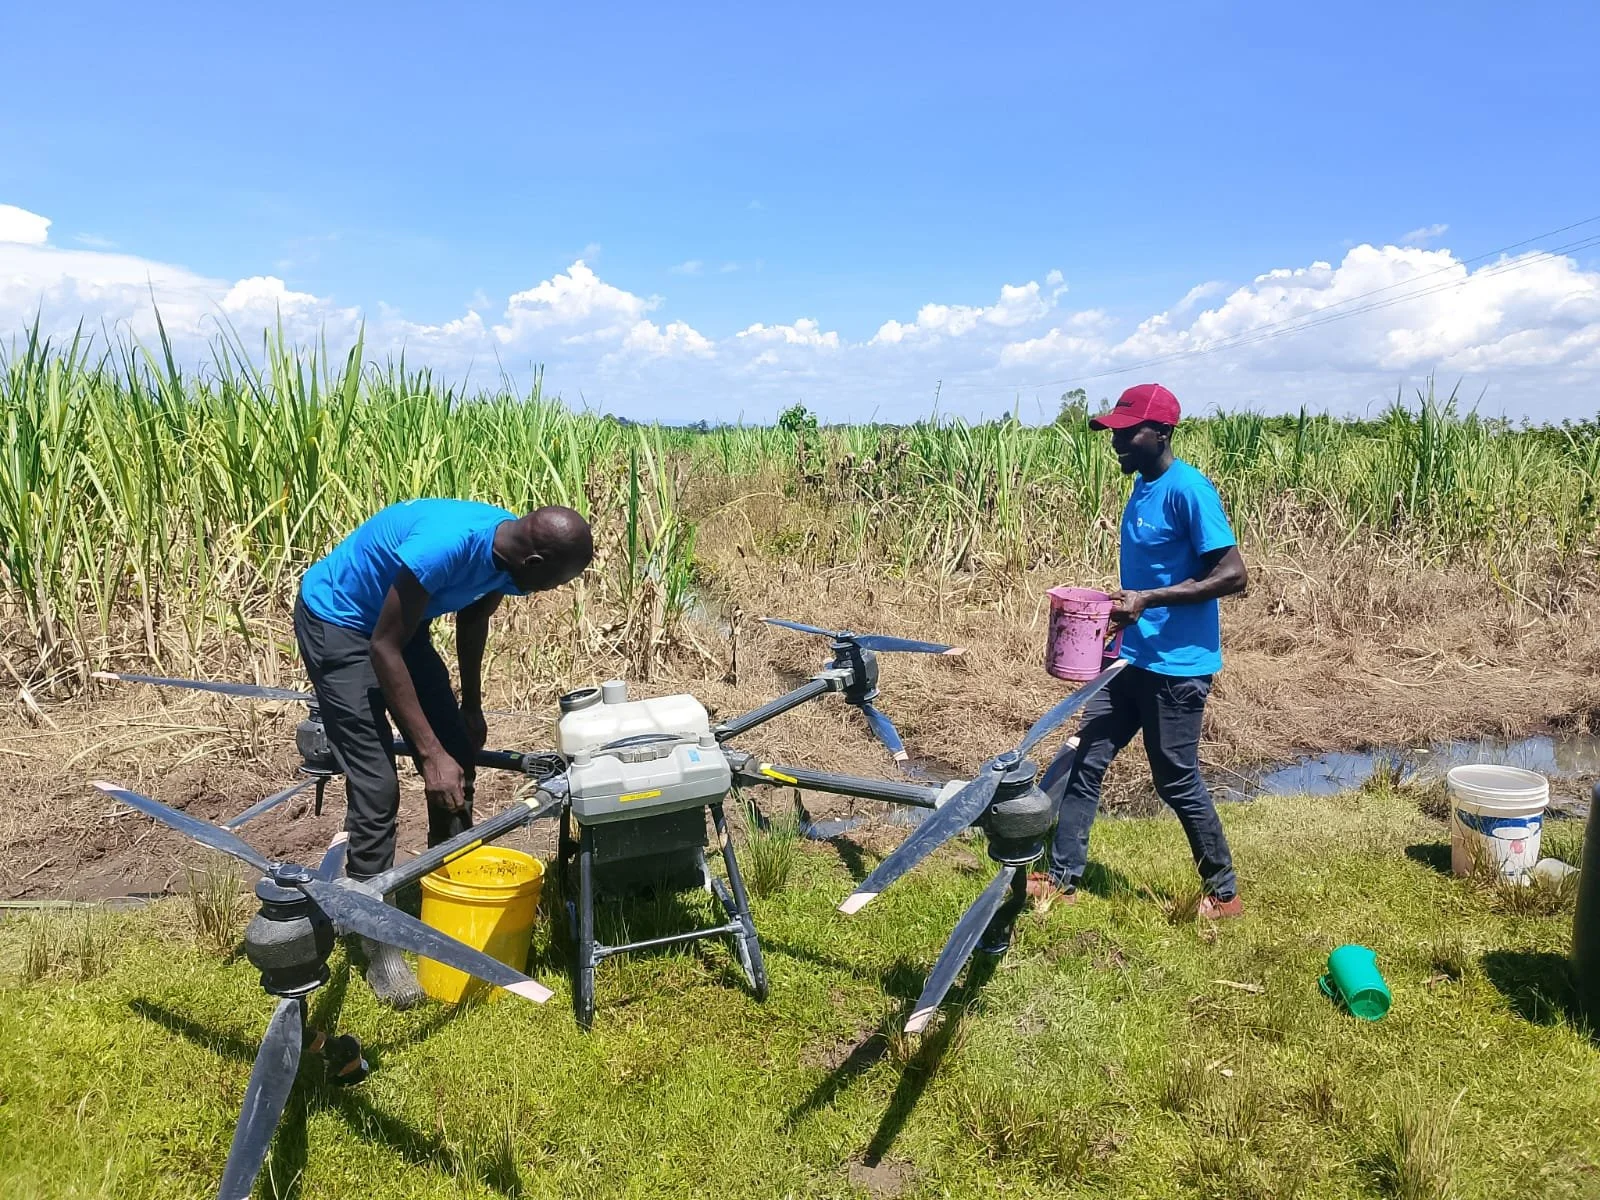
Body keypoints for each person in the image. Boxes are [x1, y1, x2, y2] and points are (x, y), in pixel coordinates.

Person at [295, 499, 594, 1006]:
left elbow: (471, 620)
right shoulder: (444, 549)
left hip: (398, 629)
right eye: (555, 583)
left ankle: (445, 887)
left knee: (457, 748)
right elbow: (381, 649)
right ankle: (375, 935)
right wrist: (429, 757)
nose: (550, 592)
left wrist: (469, 709)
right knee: (377, 784)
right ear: (535, 562)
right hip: (341, 622)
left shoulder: (510, 558)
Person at [1028, 384, 1249, 919]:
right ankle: (1062, 877)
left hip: (1177, 666)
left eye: (1129, 433)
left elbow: (1233, 574)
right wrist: (1115, 611)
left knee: (1175, 778)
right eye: (1115, 433)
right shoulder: (1144, 486)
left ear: (1163, 433)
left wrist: (1148, 599)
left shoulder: (1187, 489)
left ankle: (1224, 893)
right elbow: (1151, 574)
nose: (1117, 443)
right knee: (1088, 756)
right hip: (1129, 657)